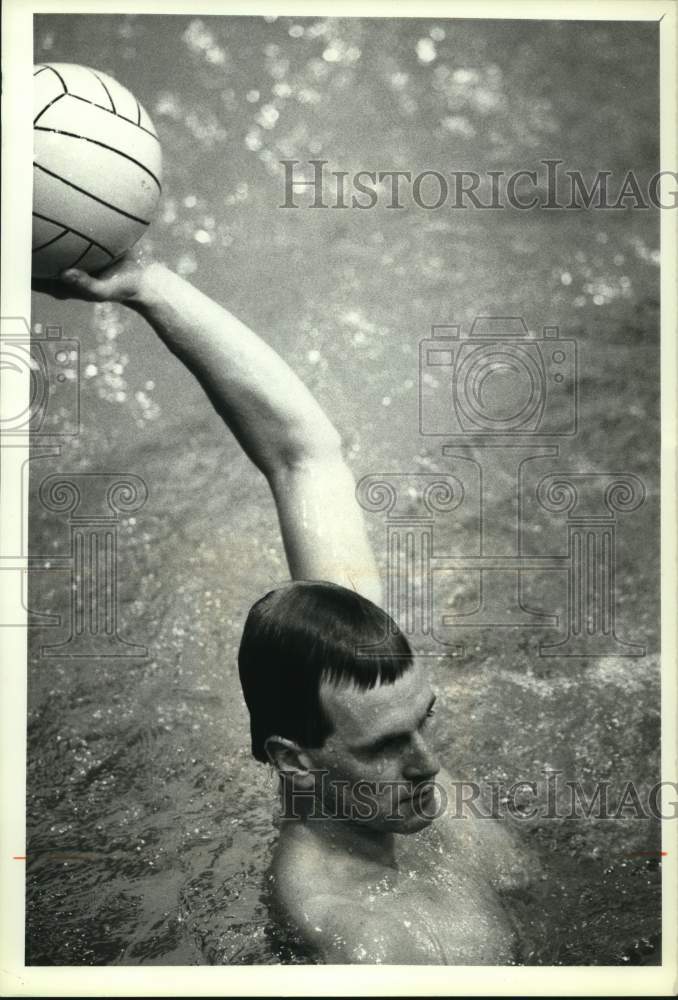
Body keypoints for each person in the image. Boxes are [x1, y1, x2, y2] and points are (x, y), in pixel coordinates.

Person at [35, 255, 537, 965]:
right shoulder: (369, 937)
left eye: (422, 720)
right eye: (387, 747)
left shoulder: (364, 696)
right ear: (295, 763)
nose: (429, 764)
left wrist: (145, 283)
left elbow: (305, 456)